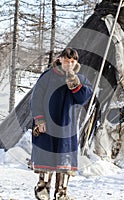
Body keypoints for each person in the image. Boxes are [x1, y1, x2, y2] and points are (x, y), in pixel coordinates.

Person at [30, 47, 92, 200]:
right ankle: (42, 189)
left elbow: (82, 98)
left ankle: (61, 193)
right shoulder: (47, 76)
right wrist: (39, 120)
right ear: (59, 59)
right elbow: (36, 99)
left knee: (64, 158)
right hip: (47, 123)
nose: (69, 64)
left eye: (72, 61)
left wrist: (71, 78)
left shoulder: (81, 79)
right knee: (46, 155)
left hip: (66, 126)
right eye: (66, 60)